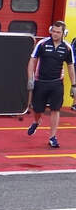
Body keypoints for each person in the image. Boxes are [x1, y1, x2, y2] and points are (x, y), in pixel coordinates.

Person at [26, 20, 76, 148]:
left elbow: (70, 67)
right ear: (50, 30)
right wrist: (30, 79)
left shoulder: (67, 48)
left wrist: (74, 85)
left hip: (56, 84)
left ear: (63, 33)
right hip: (40, 82)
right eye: (53, 31)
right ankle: (37, 122)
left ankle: (52, 137)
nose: (55, 34)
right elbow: (32, 61)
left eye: (58, 32)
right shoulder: (42, 44)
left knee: (55, 109)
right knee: (37, 109)